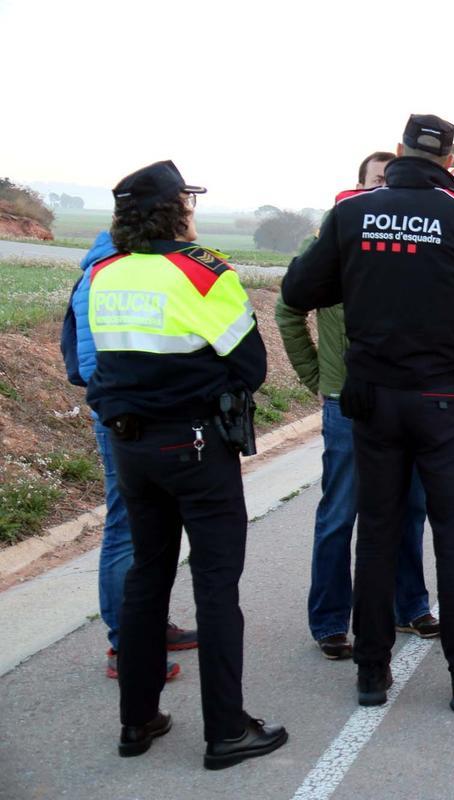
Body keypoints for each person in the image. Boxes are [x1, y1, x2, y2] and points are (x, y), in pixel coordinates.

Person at [281, 114, 454, 713]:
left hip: (371, 396)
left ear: (397, 152)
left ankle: (371, 673)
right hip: (439, 400)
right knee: (453, 538)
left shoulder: (354, 211)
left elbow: (297, 291)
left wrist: (366, 276)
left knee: (379, 532)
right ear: (448, 162)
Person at [87, 160, 286, 767]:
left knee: (148, 578)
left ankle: (137, 720)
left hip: (130, 448)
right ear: (177, 209)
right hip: (195, 446)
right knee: (215, 588)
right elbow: (251, 364)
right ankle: (227, 731)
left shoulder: (104, 273)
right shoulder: (202, 274)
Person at [276, 151, 439, 662]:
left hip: (404, 397)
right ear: (359, 186)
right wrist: (316, 376)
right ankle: (329, 620)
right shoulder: (331, 240)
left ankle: (408, 604)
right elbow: (287, 309)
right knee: (340, 513)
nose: (383, 190)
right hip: (347, 401)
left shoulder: (409, 240)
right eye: (375, 181)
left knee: (409, 509)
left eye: (389, 182)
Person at [62, 231, 197, 682]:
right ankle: (126, 645)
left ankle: (147, 630)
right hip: (125, 415)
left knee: (147, 528)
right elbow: (92, 360)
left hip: (129, 411)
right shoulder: (109, 273)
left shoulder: (111, 268)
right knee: (125, 527)